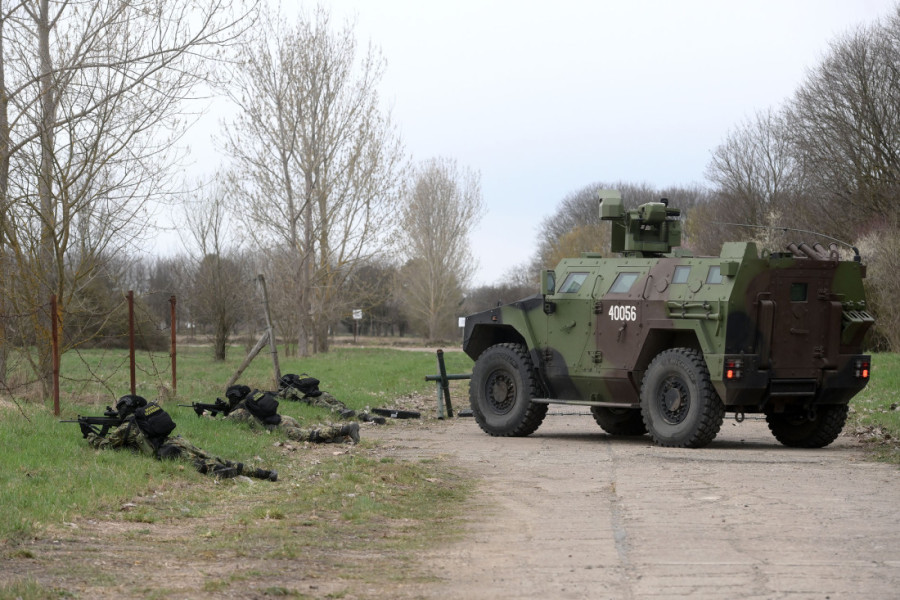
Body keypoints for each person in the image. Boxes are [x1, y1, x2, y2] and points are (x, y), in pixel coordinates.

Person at [82, 394, 277, 481]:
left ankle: (223, 473)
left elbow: (107, 446)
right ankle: (262, 473)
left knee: (206, 465)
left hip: (168, 451)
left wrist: (89, 435)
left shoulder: (128, 426)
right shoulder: (145, 417)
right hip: (177, 440)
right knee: (217, 457)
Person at [223, 385, 360, 444]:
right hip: (286, 419)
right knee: (310, 435)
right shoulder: (253, 400)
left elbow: (222, 424)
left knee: (311, 436)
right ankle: (337, 438)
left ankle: (347, 428)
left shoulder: (240, 411)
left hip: (281, 428)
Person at [276, 374, 385, 424]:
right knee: (341, 406)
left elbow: (280, 396)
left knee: (338, 411)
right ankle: (367, 416)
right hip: (323, 394)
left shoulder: (290, 389)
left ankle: (362, 416)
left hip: (315, 400)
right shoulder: (302, 380)